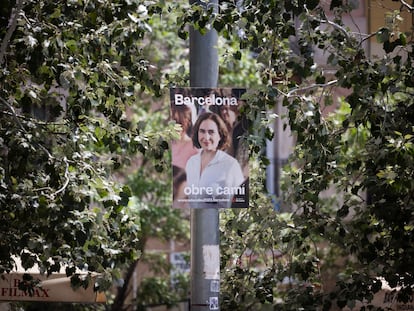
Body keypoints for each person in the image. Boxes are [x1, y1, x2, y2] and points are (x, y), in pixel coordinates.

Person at [184, 112, 246, 208]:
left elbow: (240, 202)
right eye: (202, 131)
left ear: (220, 135)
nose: (206, 137)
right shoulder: (191, 162)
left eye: (211, 132)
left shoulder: (231, 165)